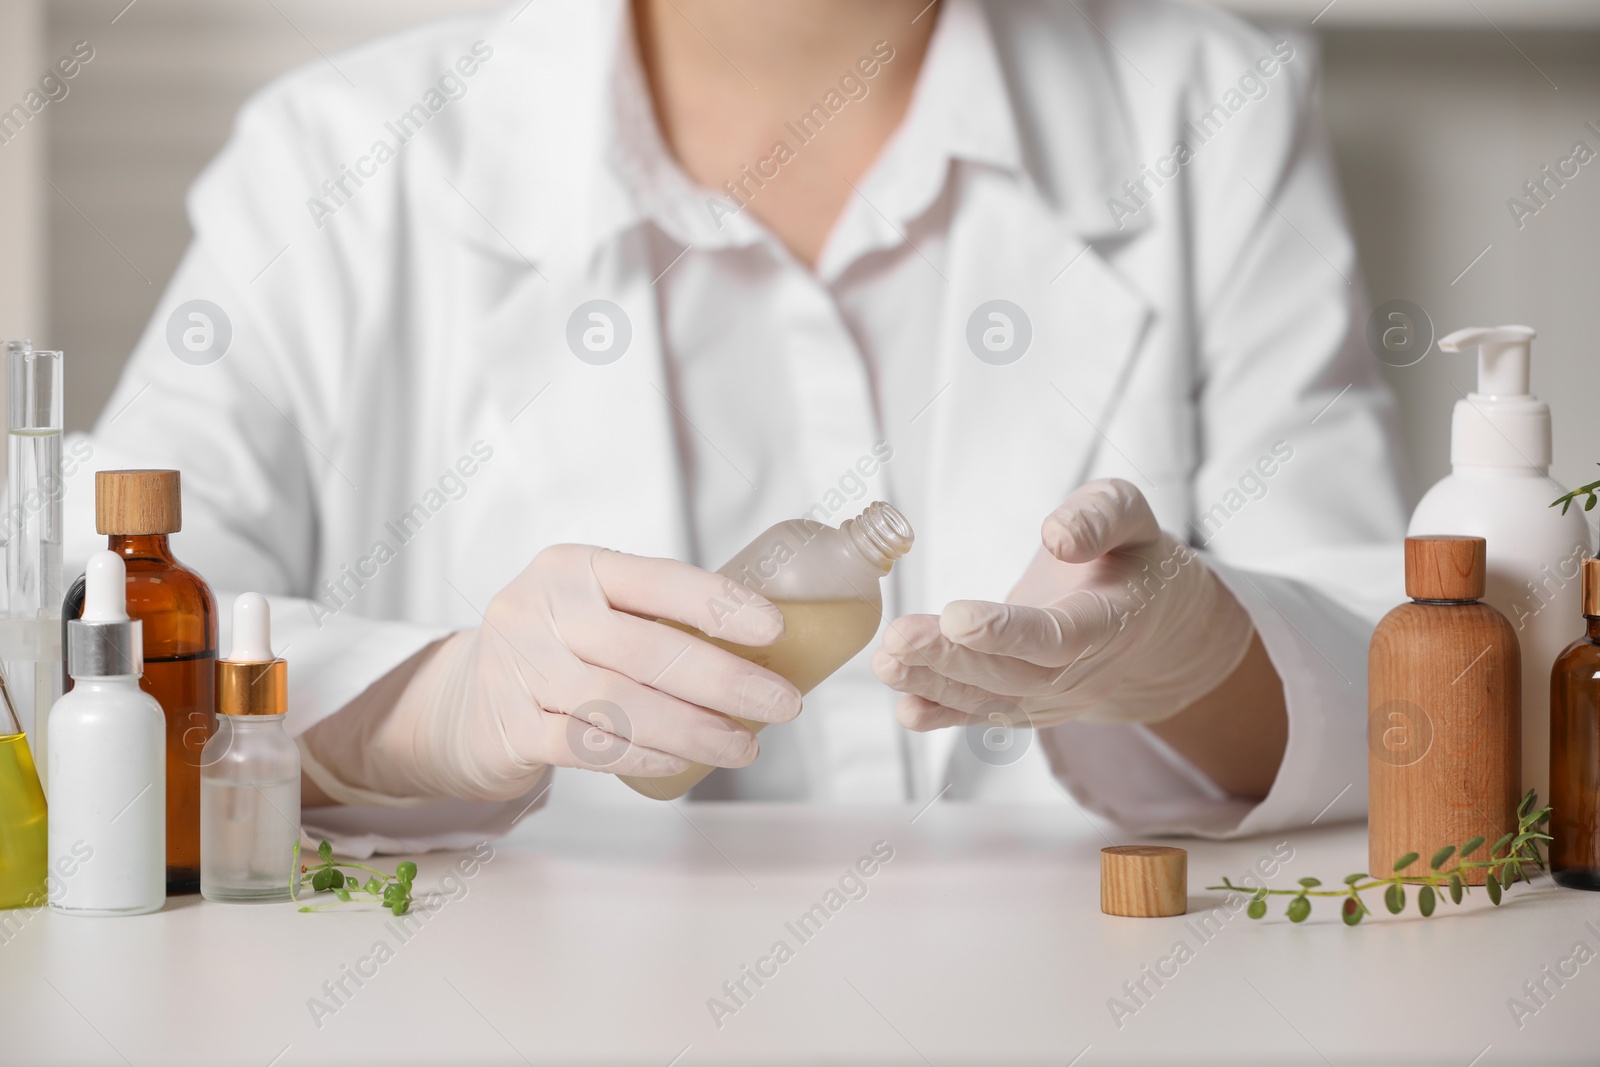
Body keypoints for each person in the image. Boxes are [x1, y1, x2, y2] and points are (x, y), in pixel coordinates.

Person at [66, 0, 1408, 854]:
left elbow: (1402, 686)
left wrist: (1210, 658)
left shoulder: (1213, 108)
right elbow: (87, 633)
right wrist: (416, 713)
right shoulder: (340, 162)